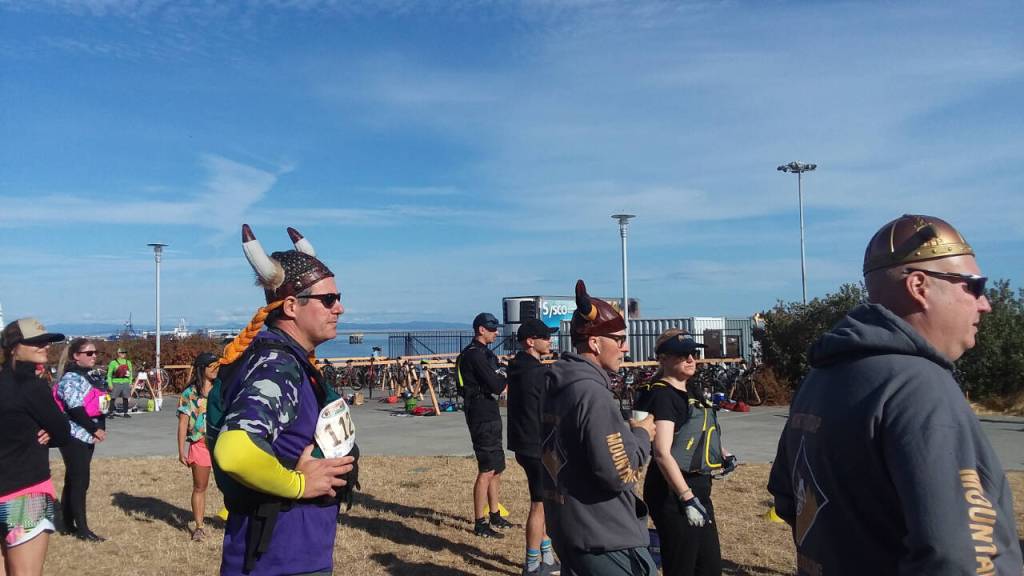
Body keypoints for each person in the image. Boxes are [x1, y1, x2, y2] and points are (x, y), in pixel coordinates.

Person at [768, 214, 1023, 574]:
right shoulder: (920, 387)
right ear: (920, 286)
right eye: (973, 286)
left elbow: (787, 498)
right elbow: (958, 555)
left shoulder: (821, 376)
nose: (985, 304)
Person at [211, 225, 358, 576]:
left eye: (337, 297)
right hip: (278, 559)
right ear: (291, 305)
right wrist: (299, 484)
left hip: (294, 553)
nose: (339, 308)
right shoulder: (278, 368)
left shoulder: (291, 362)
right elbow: (234, 451)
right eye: (328, 299)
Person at [541, 280, 657, 575]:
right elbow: (619, 474)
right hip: (604, 538)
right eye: (619, 339)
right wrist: (643, 435)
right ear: (594, 342)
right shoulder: (592, 394)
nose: (625, 347)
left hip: (569, 529)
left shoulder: (556, 384)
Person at [643, 330, 737, 576]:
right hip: (674, 493)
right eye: (681, 355)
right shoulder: (663, 395)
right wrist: (687, 498)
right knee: (682, 566)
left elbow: (697, 433)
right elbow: (662, 452)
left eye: (693, 354)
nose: (690, 359)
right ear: (662, 359)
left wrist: (723, 454)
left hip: (699, 489)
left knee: (708, 566)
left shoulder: (691, 390)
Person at [0, 318, 71, 574]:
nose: (45, 346)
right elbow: (63, 432)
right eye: (36, 342)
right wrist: (51, 433)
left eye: (46, 341)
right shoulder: (31, 386)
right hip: (27, 495)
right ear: (13, 346)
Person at [507, 319, 560, 575]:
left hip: (523, 444)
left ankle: (547, 555)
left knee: (545, 500)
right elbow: (546, 410)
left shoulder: (518, 366)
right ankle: (532, 563)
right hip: (536, 444)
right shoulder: (536, 373)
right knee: (539, 503)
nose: (550, 341)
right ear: (531, 341)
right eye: (546, 337)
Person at [456, 312, 511, 538]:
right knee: (486, 469)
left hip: (490, 410)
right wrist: (504, 373)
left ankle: (495, 513)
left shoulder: (484, 353)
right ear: (481, 329)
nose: (496, 333)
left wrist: (501, 373)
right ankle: (480, 522)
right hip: (480, 412)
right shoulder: (474, 356)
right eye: (492, 328)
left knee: (497, 467)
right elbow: (497, 385)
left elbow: (497, 379)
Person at [54, 338, 108, 542]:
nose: (94, 356)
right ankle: (82, 528)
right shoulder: (70, 379)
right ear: (76, 356)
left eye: (95, 352)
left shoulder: (89, 377)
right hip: (73, 435)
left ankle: (68, 522)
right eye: (88, 353)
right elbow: (76, 409)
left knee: (74, 479)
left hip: (85, 436)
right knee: (80, 481)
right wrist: (95, 429)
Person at [177, 352, 218, 542]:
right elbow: (183, 423)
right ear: (202, 368)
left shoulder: (222, 389)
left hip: (221, 445)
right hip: (200, 445)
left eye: (218, 364)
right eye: (212, 365)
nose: (216, 368)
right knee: (200, 487)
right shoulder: (190, 393)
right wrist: (181, 451)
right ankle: (199, 526)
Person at [106, 348, 133, 418]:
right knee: (113, 398)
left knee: (125, 398)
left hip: (125, 382)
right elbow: (109, 374)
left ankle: (125, 413)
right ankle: (111, 413)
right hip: (115, 382)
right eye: (122, 352)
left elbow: (130, 373)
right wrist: (110, 384)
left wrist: (130, 382)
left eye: (124, 353)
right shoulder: (113, 363)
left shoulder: (128, 362)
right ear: (118, 353)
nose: (123, 354)